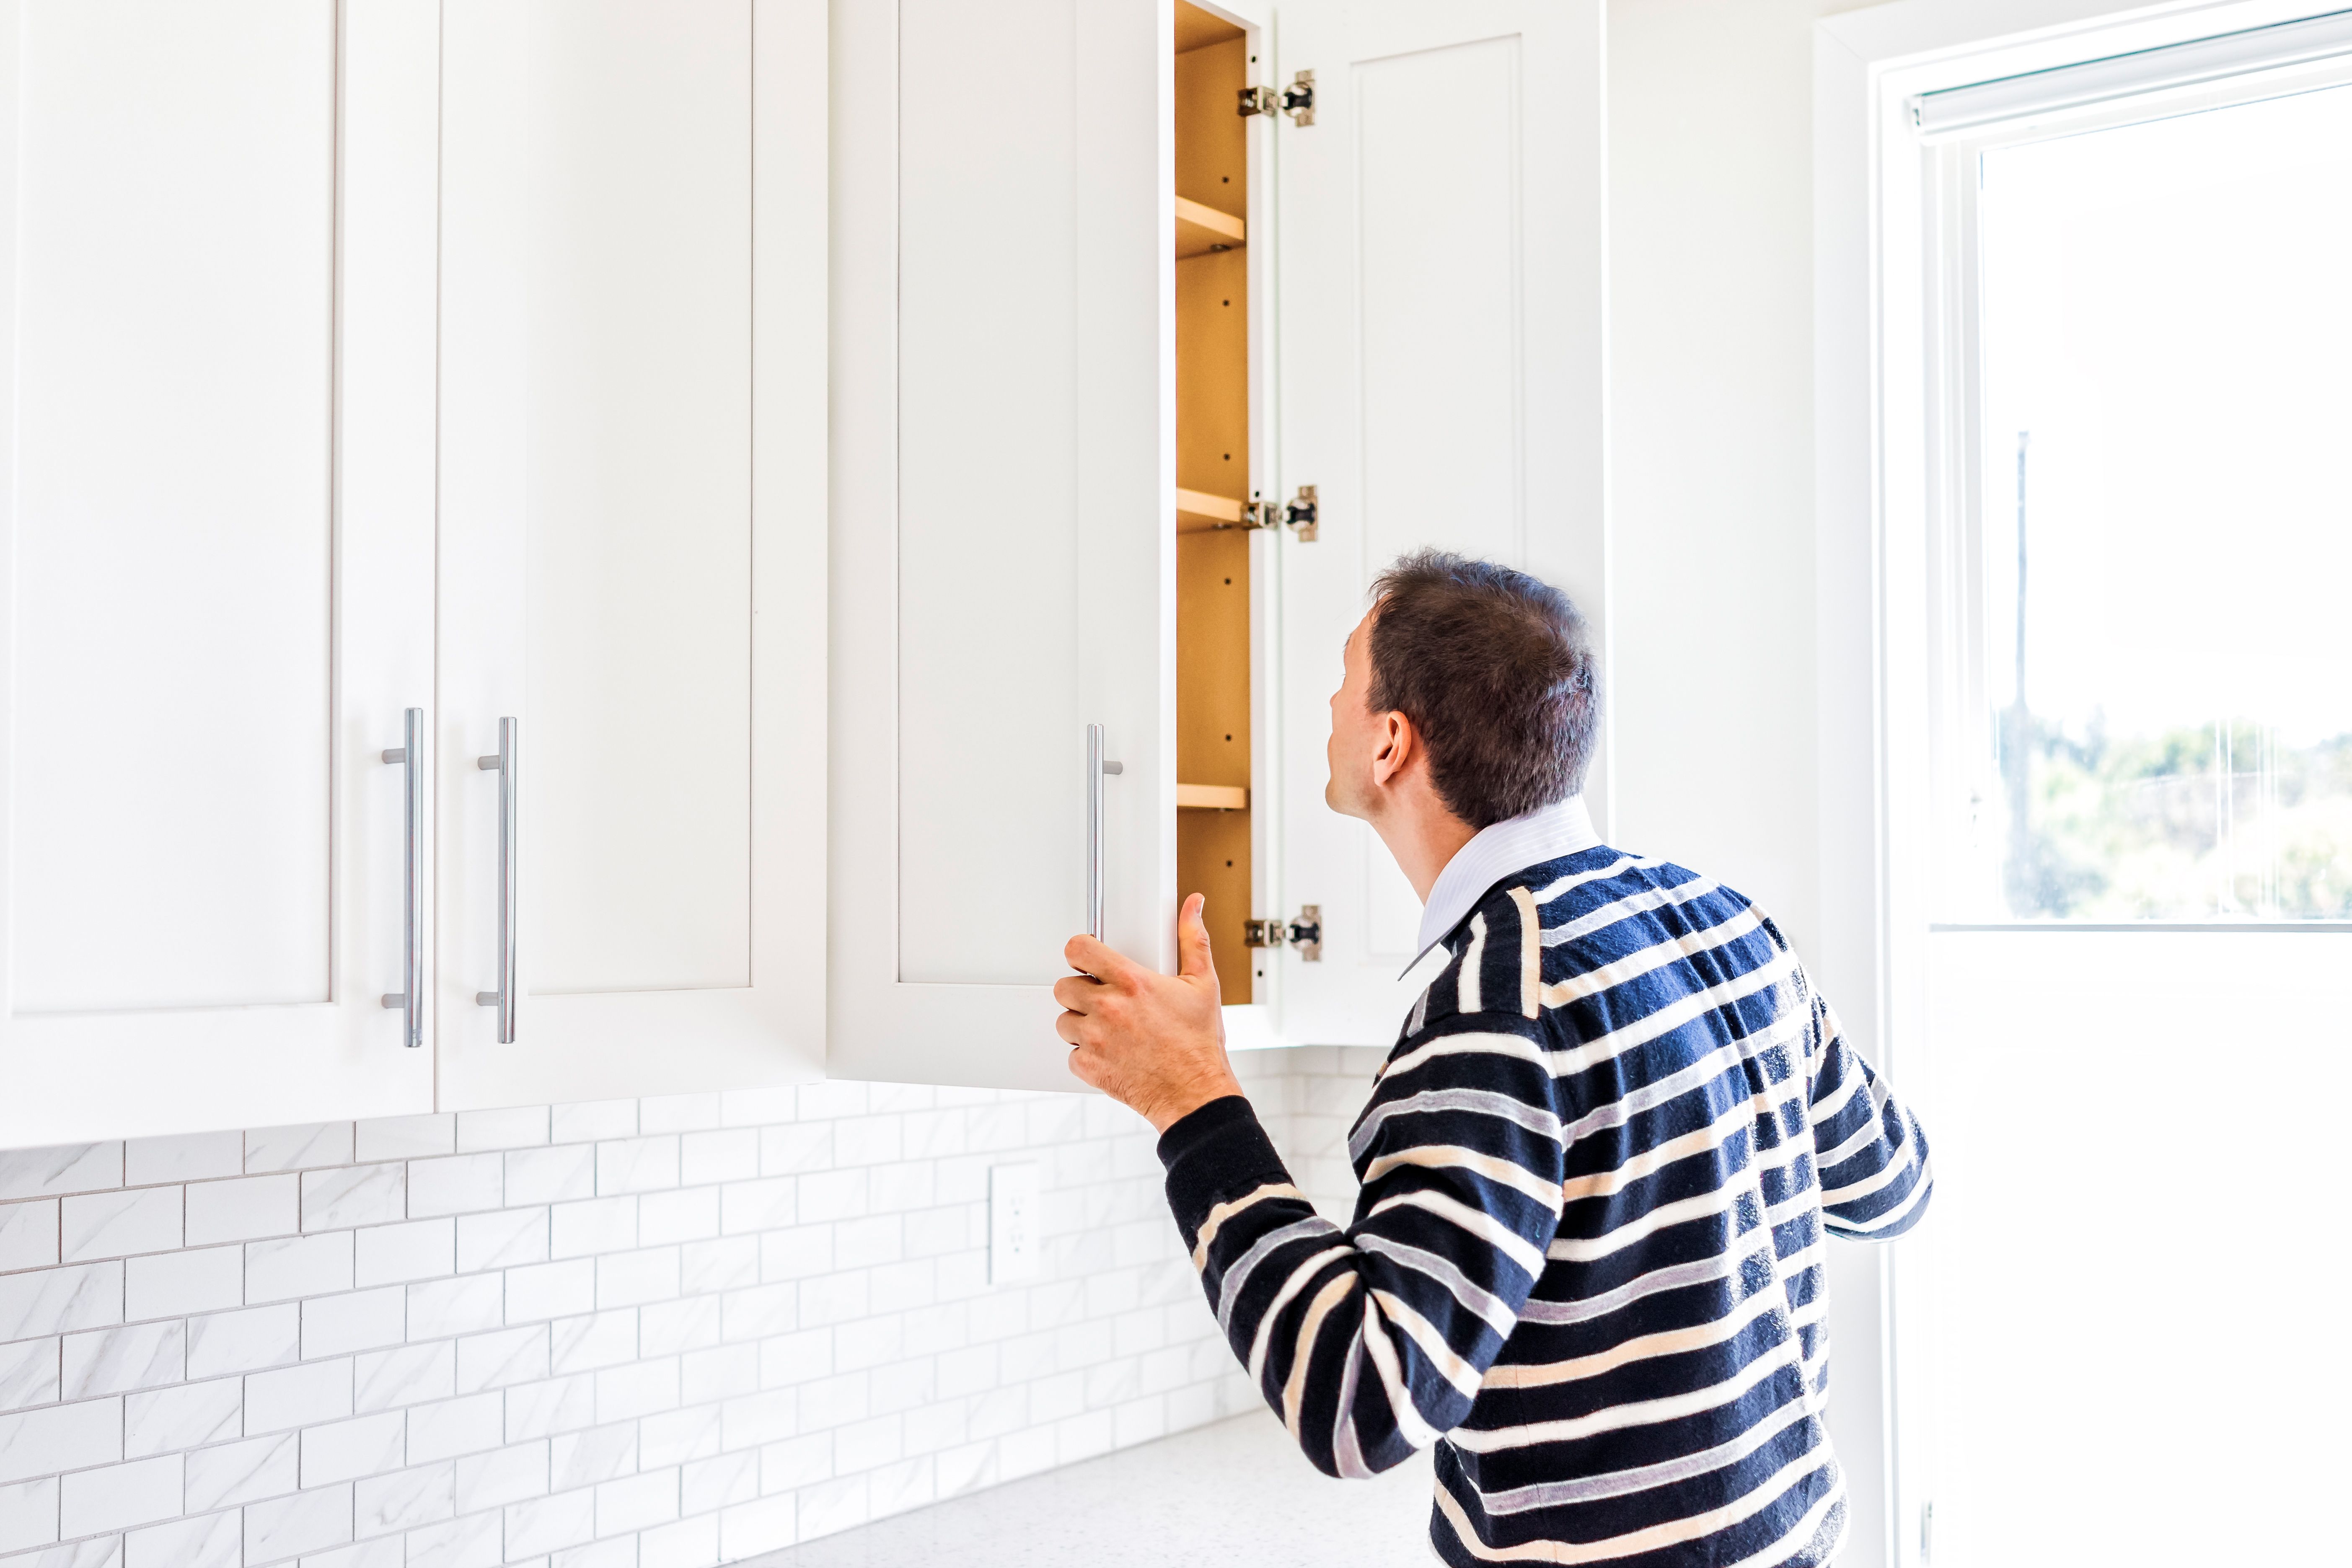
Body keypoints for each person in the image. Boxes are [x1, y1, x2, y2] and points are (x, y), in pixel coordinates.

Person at [1054, 550, 1932, 1566]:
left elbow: (1358, 1400)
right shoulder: (1718, 922)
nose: (1327, 702)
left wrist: (1190, 1098)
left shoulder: (1493, 1008)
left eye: (1342, 676)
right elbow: (1891, 1182)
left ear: (1390, 743)